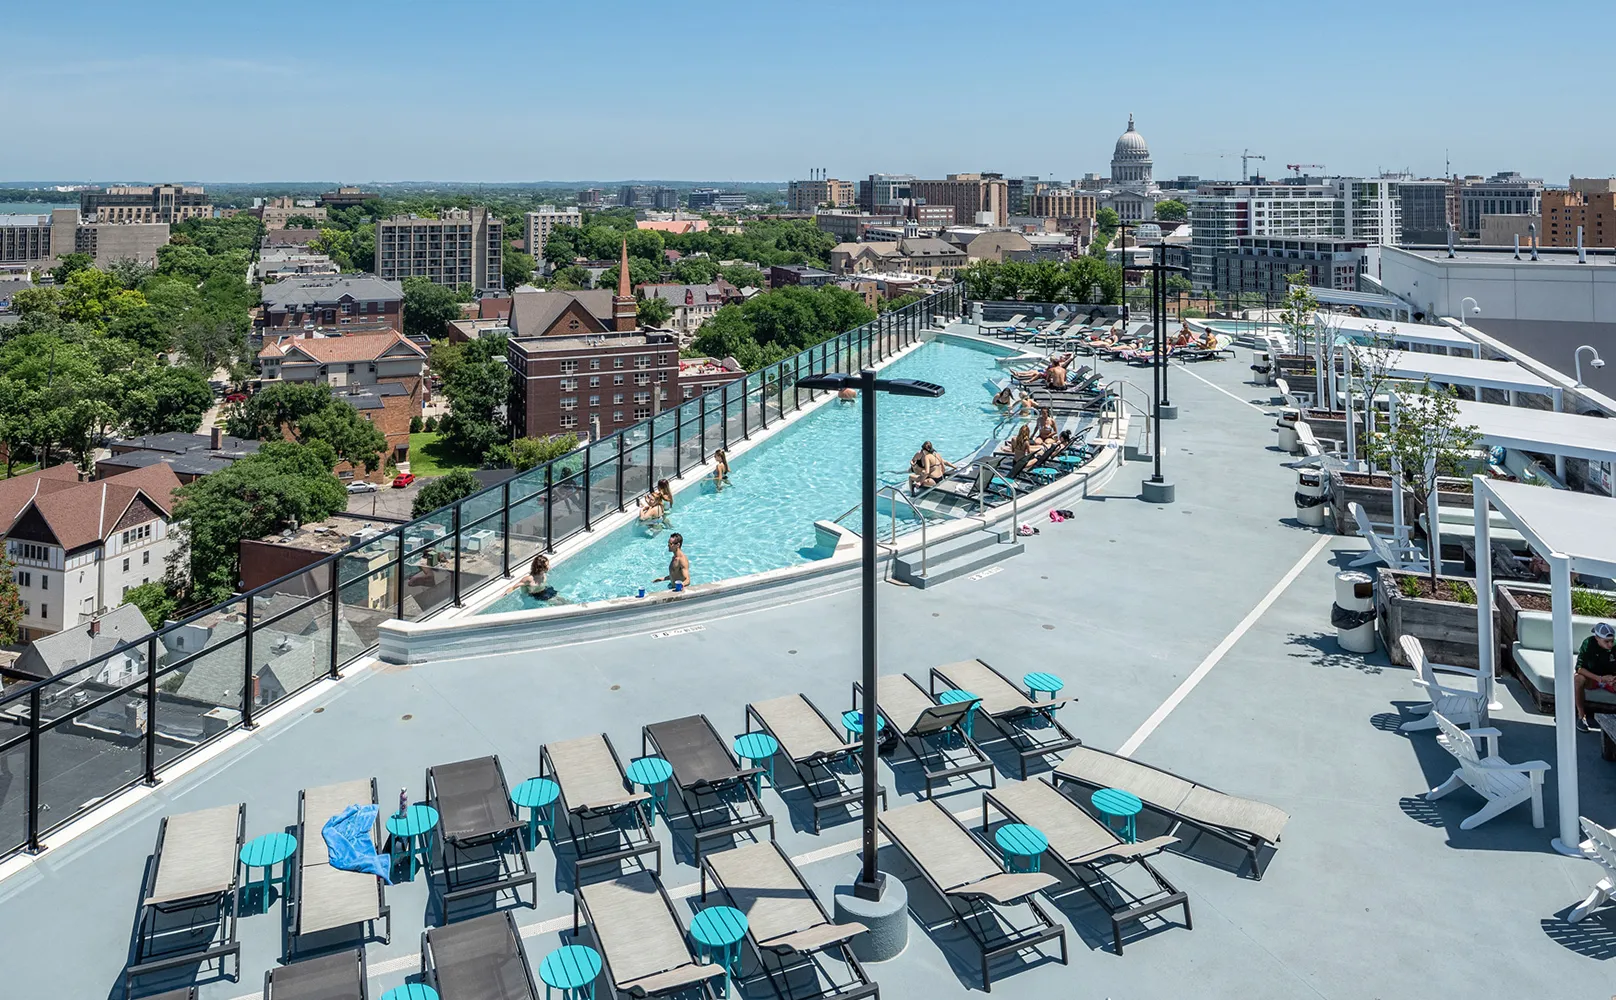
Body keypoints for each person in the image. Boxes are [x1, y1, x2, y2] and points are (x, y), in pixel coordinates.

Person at [1575, 622, 1616, 731]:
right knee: (1578, 679)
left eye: (1612, 641)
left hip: (1611, 679)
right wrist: (1600, 678)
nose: (1610, 645)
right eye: (1606, 641)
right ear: (1597, 638)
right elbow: (1579, 668)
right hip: (1593, 679)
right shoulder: (1588, 644)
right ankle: (1581, 716)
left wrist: (1612, 679)